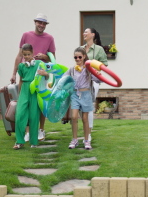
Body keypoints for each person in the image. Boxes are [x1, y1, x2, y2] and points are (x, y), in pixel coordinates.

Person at [11, 13, 56, 142]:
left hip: (40, 74)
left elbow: (53, 59)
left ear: (46, 25)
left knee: (40, 104)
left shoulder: (49, 38)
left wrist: (44, 57)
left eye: (44, 23)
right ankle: (27, 132)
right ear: (35, 22)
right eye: (39, 22)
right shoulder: (26, 35)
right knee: (25, 104)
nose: (41, 25)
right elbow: (19, 56)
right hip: (25, 74)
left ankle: (40, 130)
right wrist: (14, 73)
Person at [13, 44, 49, 150]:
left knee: (34, 117)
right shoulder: (21, 66)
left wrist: (45, 74)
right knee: (19, 116)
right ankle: (19, 141)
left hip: (35, 91)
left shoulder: (39, 63)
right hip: (24, 91)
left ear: (32, 53)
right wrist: (19, 95)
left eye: (28, 54)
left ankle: (34, 141)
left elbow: (48, 77)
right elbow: (20, 80)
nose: (27, 57)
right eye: (25, 55)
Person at [64, 47, 100, 150]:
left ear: (84, 57)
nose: (78, 59)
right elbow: (64, 78)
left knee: (85, 118)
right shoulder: (72, 69)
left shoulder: (88, 69)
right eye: (75, 57)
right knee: (74, 117)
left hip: (86, 94)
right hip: (75, 95)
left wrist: (97, 74)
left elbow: (97, 80)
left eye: (80, 57)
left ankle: (86, 140)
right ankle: (74, 139)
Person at [82, 28, 108, 142]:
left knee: (89, 106)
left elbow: (104, 65)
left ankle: (88, 134)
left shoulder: (99, 49)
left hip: (93, 80)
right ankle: (85, 132)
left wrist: (95, 67)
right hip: (81, 80)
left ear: (92, 35)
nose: (84, 34)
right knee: (82, 107)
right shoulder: (81, 49)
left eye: (86, 32)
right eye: (83, 32)